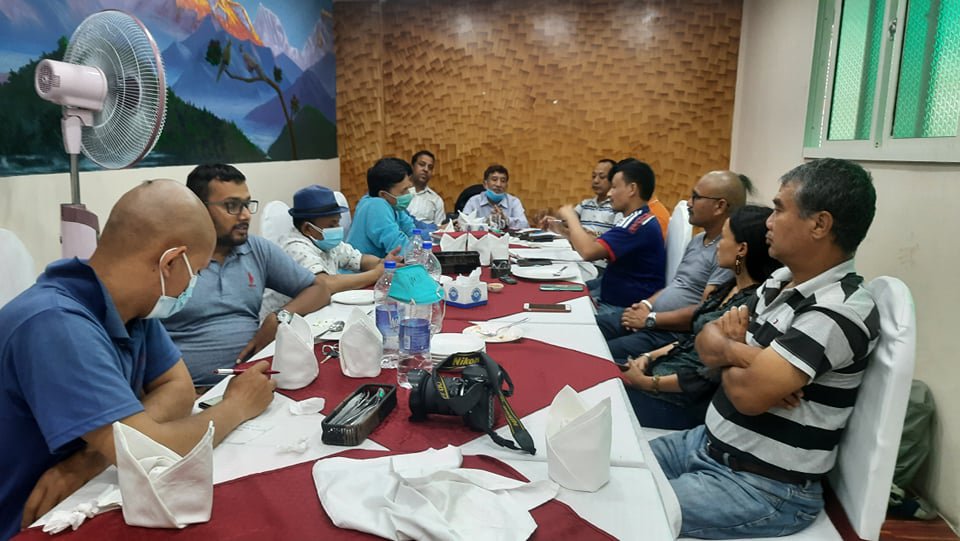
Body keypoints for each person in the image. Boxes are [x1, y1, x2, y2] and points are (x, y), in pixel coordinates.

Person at [0, 180, 276, 540]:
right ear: (170, 262)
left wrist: (95, 456)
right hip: (33, 522)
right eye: (197, 272)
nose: (191, 286)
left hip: (87, 491)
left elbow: (179, 390)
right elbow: (152, 453)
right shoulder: (55, 324)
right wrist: (238, 405)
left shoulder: (132, 307)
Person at [652, 158, 880, 538]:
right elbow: (706, 338)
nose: (768, 223)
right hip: (704, 443)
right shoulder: (780, 280)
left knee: (624, 507)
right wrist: (744, 354)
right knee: (605, 474)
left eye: (778, 209)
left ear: (819, 224)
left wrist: (730, 350)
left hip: (762, 487)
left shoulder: (838, 310)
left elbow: (746, 395)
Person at [163, 164, 331, 387]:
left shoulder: (256, 249)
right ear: (198, 209)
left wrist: (278, 317)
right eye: (232, 206)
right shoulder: (170, 259)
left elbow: (320, 289)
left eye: (246, 205)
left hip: (255, 379)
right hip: (193, 391)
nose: (245, 216)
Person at [620, 205, 781, 429]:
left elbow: (708, 375)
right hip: (663, 375)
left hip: (679, 403)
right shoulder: (729, 287)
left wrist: (648, 383)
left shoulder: (745, 308)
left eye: (724, 238)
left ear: (741, 249)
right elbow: (691, 341)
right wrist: (648, 356)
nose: (718, 245)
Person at [596, 170, 750, 363]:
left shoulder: (727, 254)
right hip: (651, 318)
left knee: (598, 354)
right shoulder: (698, 240)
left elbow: (704, 312)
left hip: (669, 333)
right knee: (587, 327)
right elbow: (677, 284)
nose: (688, 203)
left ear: (720, 206)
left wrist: (651, 319)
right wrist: (646, 305)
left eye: (696, 197)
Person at [261, 185, 400, 316]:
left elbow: (359, 260)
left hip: (315, 312)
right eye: (332, 225)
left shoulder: (325, 241)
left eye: (338, 222)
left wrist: (382, 262)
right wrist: (376, 274)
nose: (337, 228)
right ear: (307, 228)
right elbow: (325, 284)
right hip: (283, 322)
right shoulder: (295, 247)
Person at [554, 159, 666, 312]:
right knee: (559, 294)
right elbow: (597, 243)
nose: (609, 193)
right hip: (610, 295)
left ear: (632, 189)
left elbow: (588, 251)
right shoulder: (636, 219)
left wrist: (571, 216)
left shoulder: (635, 225)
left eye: (614, 187)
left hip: (625, 309)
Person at [346, 157, 419, 258]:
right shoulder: (376, 206)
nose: (408, 194)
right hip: (362, 268)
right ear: (383, 194)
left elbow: (412, 231)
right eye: (403, 191)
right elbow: (399, 248)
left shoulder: (393, 204)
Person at [462, 164, 530, 229]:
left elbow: (525, 225)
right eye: (494, 179)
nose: (498, 184)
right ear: (485, 184)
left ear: (506, 186)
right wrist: (486, 222)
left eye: (503, 181)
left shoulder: (514, 202)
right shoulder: (473, 201)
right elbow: (462, 224)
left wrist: (506, 220)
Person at [406, 150, 446, 226]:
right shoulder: (399, 192)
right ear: (412, 166)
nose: (426, 169)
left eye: (430, 167)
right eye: (422, 164)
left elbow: (439, 229)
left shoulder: (436, 200)